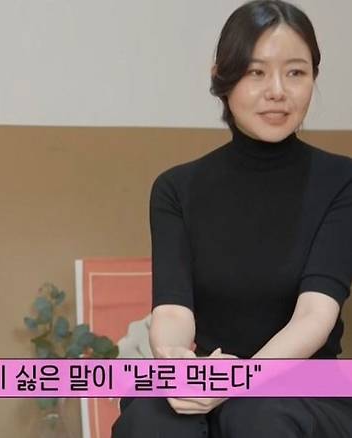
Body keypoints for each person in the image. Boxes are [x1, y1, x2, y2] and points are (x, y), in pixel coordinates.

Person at [112, 1, 352, 437]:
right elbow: (173, 309)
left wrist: (241, 380)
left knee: (257, 417)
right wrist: (176, 360)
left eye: (296, 73)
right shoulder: (176, 188)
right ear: (222, 76)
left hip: (306, 386)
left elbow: (314, 316)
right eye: (256, 72)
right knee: (151, 421)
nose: (277, 91)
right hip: (210, 372)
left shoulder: (342, 181)